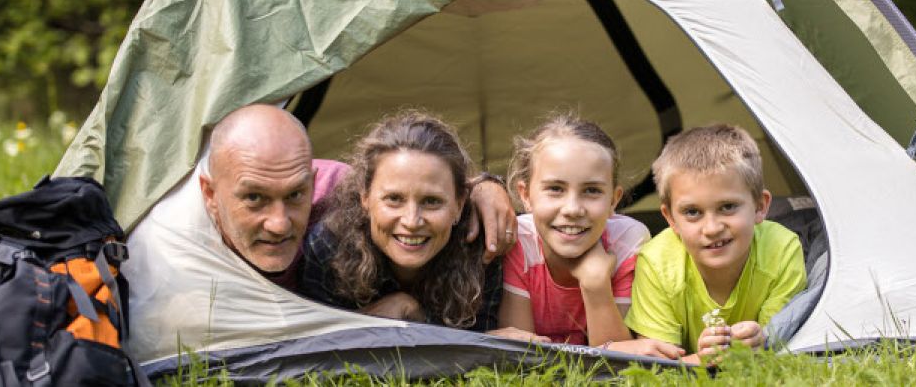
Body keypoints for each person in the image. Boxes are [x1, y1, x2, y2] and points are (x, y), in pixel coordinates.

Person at [197, 104, 517, 294]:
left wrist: (485, 186)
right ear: (210, 194)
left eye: (296, 194)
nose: (279, 224)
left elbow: (412, 181)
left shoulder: (336, 190)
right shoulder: (177, 244)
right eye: (255, 198)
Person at [622, 124, 807, 364]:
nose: (712, 228)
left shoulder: (782, 250)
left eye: (728, 207)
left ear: (760, 206)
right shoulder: (657, 263)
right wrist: (700, 360)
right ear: (670, 219)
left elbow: (781, 341)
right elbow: (658, 365)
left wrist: (760, 341)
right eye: (692, 212)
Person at [299, 111, 501, 330]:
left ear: (459, 205)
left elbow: (483, 343)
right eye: (394, 199)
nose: (412, 221)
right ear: (365, 197)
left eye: (431, 201)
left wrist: (414, 313)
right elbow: (317, 343)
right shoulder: (328, 246)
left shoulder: (483, 249)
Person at [494, 114, 650, 346]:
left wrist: (595, 284)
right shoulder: (520, 240)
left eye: (592, 191)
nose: (573, 209)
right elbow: (520, 353)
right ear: (526, 196)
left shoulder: (627, 241)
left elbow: (616, 362)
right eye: (556, 189)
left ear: (614, 201)